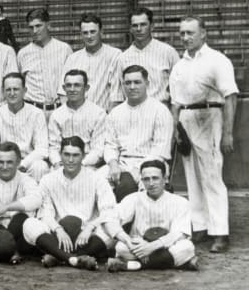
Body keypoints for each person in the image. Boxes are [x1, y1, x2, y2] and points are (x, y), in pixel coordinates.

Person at [169, 15, 238, 253]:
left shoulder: (217, 60)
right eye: (182, 33)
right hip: (187, 120)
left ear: (203, 33)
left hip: (210, 117)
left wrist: (227, 133)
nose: (185, 37)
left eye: (190, 32)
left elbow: (230, 96)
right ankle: (200, 226)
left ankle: (220, 232)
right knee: (192, 177)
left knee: (212, 176)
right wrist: (176, 130)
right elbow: (175, 103)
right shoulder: (179, 65)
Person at [23, 137, 116, 270]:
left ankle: (58, 257)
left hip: (87, 235)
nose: (71, 160)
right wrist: (58, 230)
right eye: (66, 154)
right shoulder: (48, 179)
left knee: (113, 227)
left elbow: (108, 211)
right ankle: (72, 258)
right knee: (29, 224)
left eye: (75, 155)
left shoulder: (97, 179)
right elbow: (46, 214)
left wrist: (90, 228)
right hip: (59, 235)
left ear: (83, 156)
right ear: (60, 155)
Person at [105, 160, 198, 272]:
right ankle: (178, 263)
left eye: (155, 178)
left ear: (165, 179)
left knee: (187, 247)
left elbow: (180, 233)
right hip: (139, 246)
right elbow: (110, 218)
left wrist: (152, 247)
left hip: (166, 246)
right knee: (121, 247)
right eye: (146, 179)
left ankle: (133, 265)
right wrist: (128, 241)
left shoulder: (180, 202)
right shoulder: (133, 198)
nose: (151, 183)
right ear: (141, 181)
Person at [104, 65, 174, 201]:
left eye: (137, 82)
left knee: (127, 186)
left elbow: (160, 149)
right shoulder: (116, 112)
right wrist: (113, 164)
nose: (132, 87)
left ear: (147, 84)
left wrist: (139, 169)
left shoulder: (160, 111)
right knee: (93, 181)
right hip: (121, 163)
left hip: (152, 163)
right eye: (127, 83)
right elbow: (110, 144)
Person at [58, 13, 123, 111]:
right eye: (85, 32)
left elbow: (116, 96)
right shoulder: (72, 58)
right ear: (81, 35)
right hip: (77, 117)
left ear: (101, 32)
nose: (89, 36)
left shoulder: (115, 55)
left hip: (103, 117)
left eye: (93, 32)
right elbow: (63, 94)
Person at [17, 9, 73, 118]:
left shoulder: (64, 49)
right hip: (32, 111)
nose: (35, 30)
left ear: (48, 25)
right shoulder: (23, 53)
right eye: (31, 27)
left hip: (59, 109)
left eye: (38, 26)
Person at [117, 7, 180, 104]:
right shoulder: (123, 58)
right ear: (130, 29)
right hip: (134, 114)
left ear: (152, 26)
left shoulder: (168, 52)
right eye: (135, 25)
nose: (139, 29)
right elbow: (121, 93)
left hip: (161, 111)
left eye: (143, 25)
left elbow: (179, 87)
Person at [49, 70, 106, 170]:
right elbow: (53, 146)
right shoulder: (56, 114)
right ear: (63, 88)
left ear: (86, 88)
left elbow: (98, 149)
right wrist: (57, 163)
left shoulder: (98, 113)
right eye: (69, 85)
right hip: (62, 164)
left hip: (88, 164)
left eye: (77, 85)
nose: (72, 89)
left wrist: (82, 164)